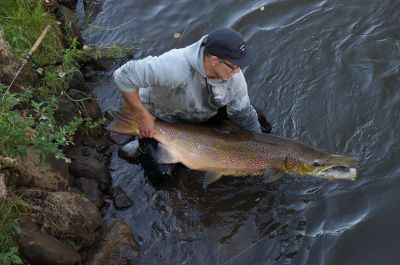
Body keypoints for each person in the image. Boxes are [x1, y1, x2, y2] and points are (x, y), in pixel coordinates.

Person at [113, 28, 271, 185]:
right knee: (161, 176)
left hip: (204, 116)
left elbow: (243, 115)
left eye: (240, 66)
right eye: (234, 66)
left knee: (260, 119)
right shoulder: (172, 66)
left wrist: (257, 152)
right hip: (162, 118)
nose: (237, 71)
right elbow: (123, 75)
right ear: (214, 60)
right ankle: (140, 139)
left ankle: (202, 151)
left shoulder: (234, 77)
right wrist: (142, 115)